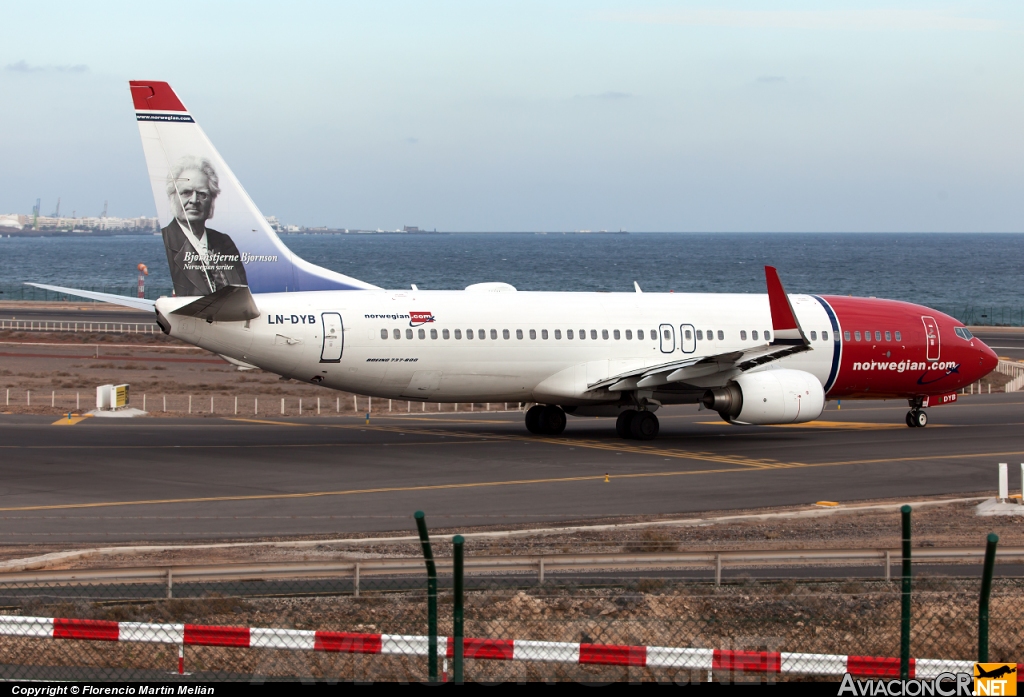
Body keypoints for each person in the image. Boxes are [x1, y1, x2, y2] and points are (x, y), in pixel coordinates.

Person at [161, 155, 247, 296]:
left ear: (212, 200)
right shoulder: (165, 241)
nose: (194, 200)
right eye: (186, 193)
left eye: (202, 194)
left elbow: (241, 292)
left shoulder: (225, 243)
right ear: (172, 197)